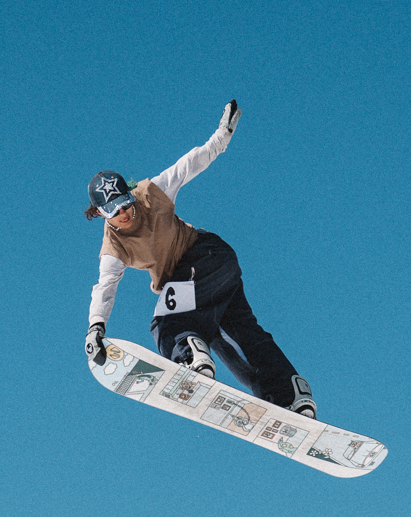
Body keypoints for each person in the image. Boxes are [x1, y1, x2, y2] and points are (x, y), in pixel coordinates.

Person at [83, 100, 314, 417]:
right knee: (236, 335)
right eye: (114, 211)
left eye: (125, 203)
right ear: (100, 214)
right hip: (217, 275)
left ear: (129, 193)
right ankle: (288, 394)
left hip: (203, 257)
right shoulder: (113, 249)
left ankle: (192, 359)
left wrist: (222, 135)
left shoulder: (152, 193)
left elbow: (191, 163)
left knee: (166, 324)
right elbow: (105, 287)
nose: (124, 214)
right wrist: (96, 327)